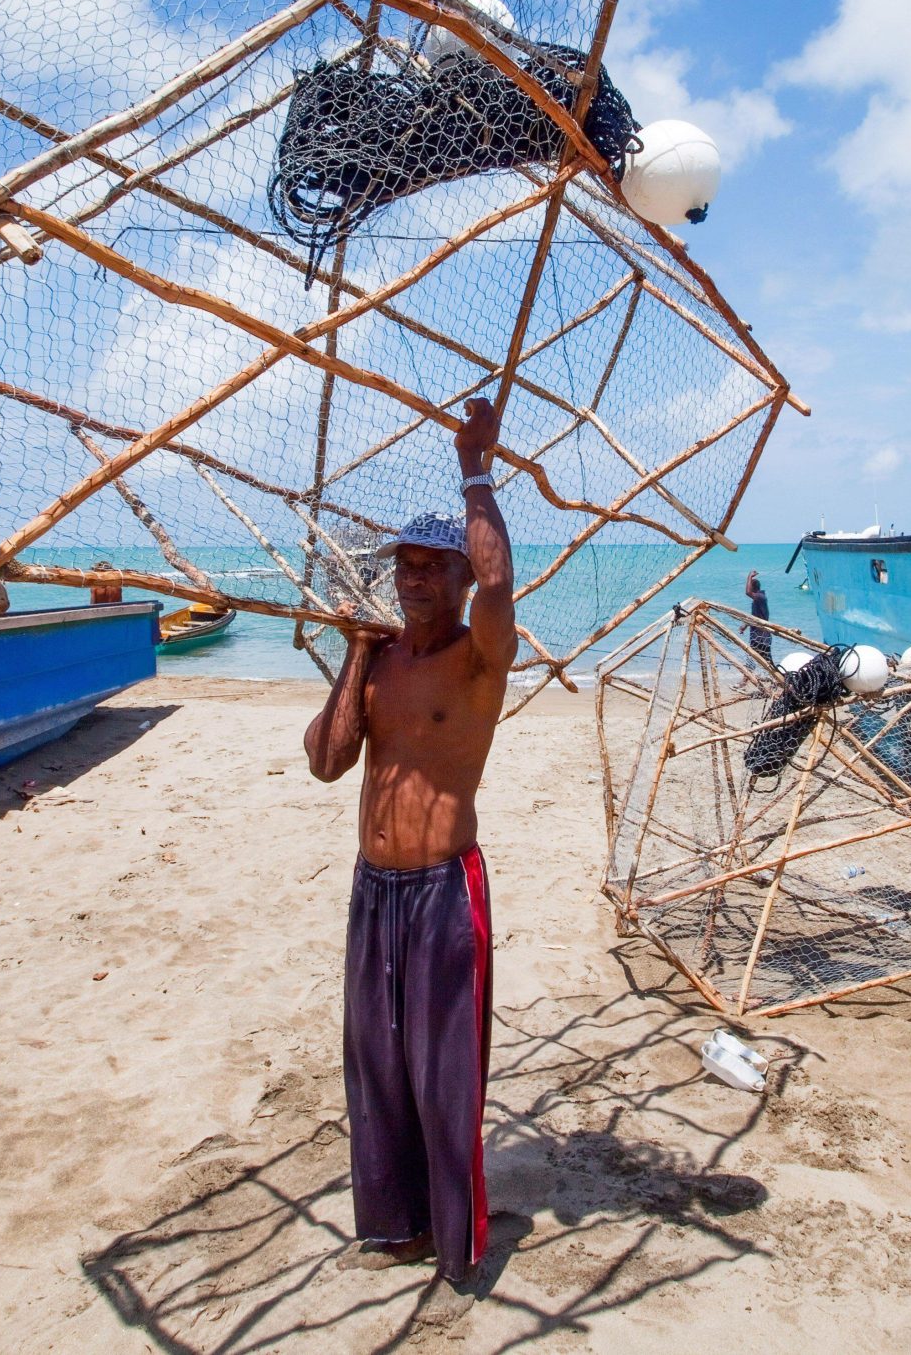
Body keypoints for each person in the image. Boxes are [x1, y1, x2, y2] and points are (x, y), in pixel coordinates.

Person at [303, 398, 513, 1290]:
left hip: (440, 889)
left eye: (435, 567)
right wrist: (354, 650)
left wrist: (474, 468)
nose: (417, 578)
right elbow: (325, 760)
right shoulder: (379, 656)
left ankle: (458, 1238)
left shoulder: (478, 656)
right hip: (372, 888)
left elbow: (504, 587)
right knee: (376, 1061)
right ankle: (397, 1222)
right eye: (407, 564)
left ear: (460, 579)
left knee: (441, 1071)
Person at [744, 570, 772, 663]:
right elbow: (755, 616)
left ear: (753, 588)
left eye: (749, 585)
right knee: (752, 659)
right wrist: (745, 625)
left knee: (766, 661)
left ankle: (777, 676)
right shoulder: (758, 599)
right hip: (757, 634)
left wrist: (749, 577)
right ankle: (747, 677)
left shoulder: (760, 597)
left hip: (762, 636)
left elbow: (747, 592)